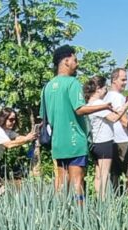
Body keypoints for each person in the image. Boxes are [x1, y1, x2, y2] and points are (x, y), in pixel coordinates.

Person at [39, 45, 114, 198]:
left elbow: (43, 116)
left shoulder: (46, 87)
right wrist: (104, 106)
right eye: (75, 60)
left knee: (61, 183)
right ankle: (80, 216)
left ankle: (59, 215)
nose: (77, 64)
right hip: (75, 141)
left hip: (58, 143)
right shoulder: (72, 83)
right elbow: (79, 109)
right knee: (77, 182)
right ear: (66, 61)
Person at [84, 75, 128, 197]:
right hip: (105, 143)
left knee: (98, 174)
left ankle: (98, 197)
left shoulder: (88, 104)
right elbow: (114, 118)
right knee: (104, 175)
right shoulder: (99, 103)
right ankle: (103, 200)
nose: (106, 91)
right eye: (104, 88)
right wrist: (125, 106)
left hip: (94, 143)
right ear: (98, 88)